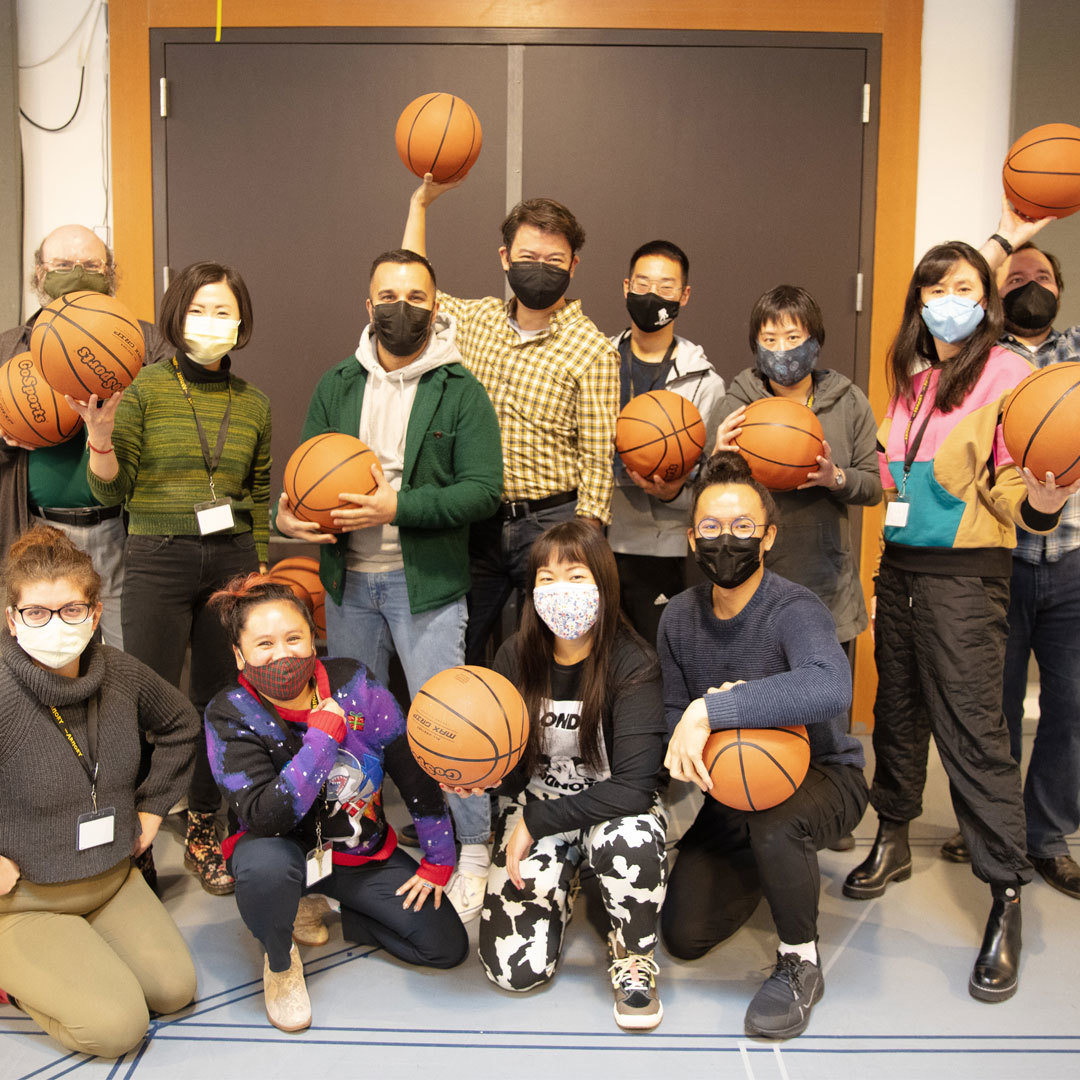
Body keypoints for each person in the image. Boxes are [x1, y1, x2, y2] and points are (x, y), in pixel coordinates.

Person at [842, 240, 1079, 1003]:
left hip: (967, 580)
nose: (952, 296)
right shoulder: (913, 377)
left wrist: (1044, 500)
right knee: (898, 715)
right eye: (938, 285)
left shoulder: (1011, 376)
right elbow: (890, 477)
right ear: (920, 298)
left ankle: (1006, 895)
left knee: (976, 733)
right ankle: (893, 837)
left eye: (968, 286)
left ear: (988, 302)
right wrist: (835, 476)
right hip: (901, 570)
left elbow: (1015, 488)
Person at [274, 248, 502, 922]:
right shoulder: (337, 383)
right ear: (366, 303)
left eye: (415, 295)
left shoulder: (460, 388)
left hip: (423, 585)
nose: (400, 307)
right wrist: (289, 515)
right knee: (347, 728)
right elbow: (301, 479)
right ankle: (355, 848)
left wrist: (395, 508)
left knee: (451, 726)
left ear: (436, 307)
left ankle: (475, 848)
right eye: (387, 294)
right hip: (348, 586)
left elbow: (483, 491)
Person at [76, 261, 272, 895]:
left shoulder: (254, 403)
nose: (209, 322)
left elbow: (259, 489)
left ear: (241, 322)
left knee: (221, 697)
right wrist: (100, 440)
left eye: (222, 310)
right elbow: (110, 486)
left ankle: (203, 826)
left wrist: (260, 561)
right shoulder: (142, 391)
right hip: (157, 553)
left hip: (233, 556)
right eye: (197, 309)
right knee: (150, 699)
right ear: (174, 316)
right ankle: (135, 839)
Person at [660, 452, 866, 1040]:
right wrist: (683, 745)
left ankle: (801, 959)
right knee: (684, 936)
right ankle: (767, 864)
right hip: (735, 787)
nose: (727, 541)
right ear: (691, 536)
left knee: (776, 823)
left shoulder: (795, 607)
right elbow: (676, 714)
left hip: (825, 776)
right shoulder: (677, 617)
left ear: (769, 536)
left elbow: (830, 685)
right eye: (712, 528)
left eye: (744, 528)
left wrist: (716, 708)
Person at [204, 574, 467, 1032]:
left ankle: (324, 905)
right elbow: (266, 816)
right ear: (239, 654)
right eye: (263, 643)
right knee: (265, 869)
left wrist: (439, 858)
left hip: (354, 851)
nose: (282, 654)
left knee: (445, 947)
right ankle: (280, 958)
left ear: (312, 637)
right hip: (276, 847)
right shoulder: (229, 712)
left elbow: (409, 767)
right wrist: (322, 739)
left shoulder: (355, 683)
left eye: (293, 638)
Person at [402, 173, 619, 664]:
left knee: (552, 654)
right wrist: (419, 206)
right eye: (526, 259)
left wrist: (583, 551)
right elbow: (413, 285)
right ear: (505, 259)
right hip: (477, 520)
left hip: (551, 522)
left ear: (573, 266)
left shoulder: (592, 349)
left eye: (553, 261)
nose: (538, 270)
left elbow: (597, 461)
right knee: (456, 649)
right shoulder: (477, 322)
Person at [0, 525, 198, 1057]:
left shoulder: (121, 673)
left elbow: (182, 724)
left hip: (111, 878)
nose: (55, 625)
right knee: (116, 1029)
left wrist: (154, 810)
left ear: (94, 612)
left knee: (175, 991)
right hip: (24, 901)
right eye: (36, 612)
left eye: (70, 610)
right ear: (11, 620)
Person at [933, 208, 1080, 900]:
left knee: (1072, 707)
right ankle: (994, 826)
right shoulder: (976, 359)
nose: (1028, 284)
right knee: (989, 710)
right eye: (1015, 276)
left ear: (1061, 290)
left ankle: (1046, 836)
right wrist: (1006, 241)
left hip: (1075, 563)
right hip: (997, 561)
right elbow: (947, 288)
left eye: (1041, 276)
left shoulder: (1078, 354)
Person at [470, 519, 668, 1031]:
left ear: (604, 583)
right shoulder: (515, 656)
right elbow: (512, 774)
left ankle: (634, 955)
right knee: (514, 972)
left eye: (577, 576)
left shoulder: (632, 660)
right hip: (537, 806)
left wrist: (537, 822)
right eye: (547, 579)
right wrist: (480, 775)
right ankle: (565, 880)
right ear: (532, 591)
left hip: (613, 811)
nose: (561, 591)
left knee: (629, 842)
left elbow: (634, 787)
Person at [0, 224, 173, 647]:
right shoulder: (7, 350)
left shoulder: (149, 344)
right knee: (44, 657)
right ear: (39, 274)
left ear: (111, 272)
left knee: (126, 657)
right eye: (62, 265)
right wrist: (5, 436)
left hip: (122, 531)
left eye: (91, 265)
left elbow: (178, 425)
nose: (77, 273)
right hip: (36, 529)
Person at [608, 240, 725, 644]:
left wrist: (674, 491)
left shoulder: (706, 383)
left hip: (669, 549)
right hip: (601, 541)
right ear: (626, 288)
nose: (652, 295)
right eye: (642, 284)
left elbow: (712, 480)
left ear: (684, 295)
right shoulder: (595, 365)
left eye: (666, 286)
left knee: (658, 666)